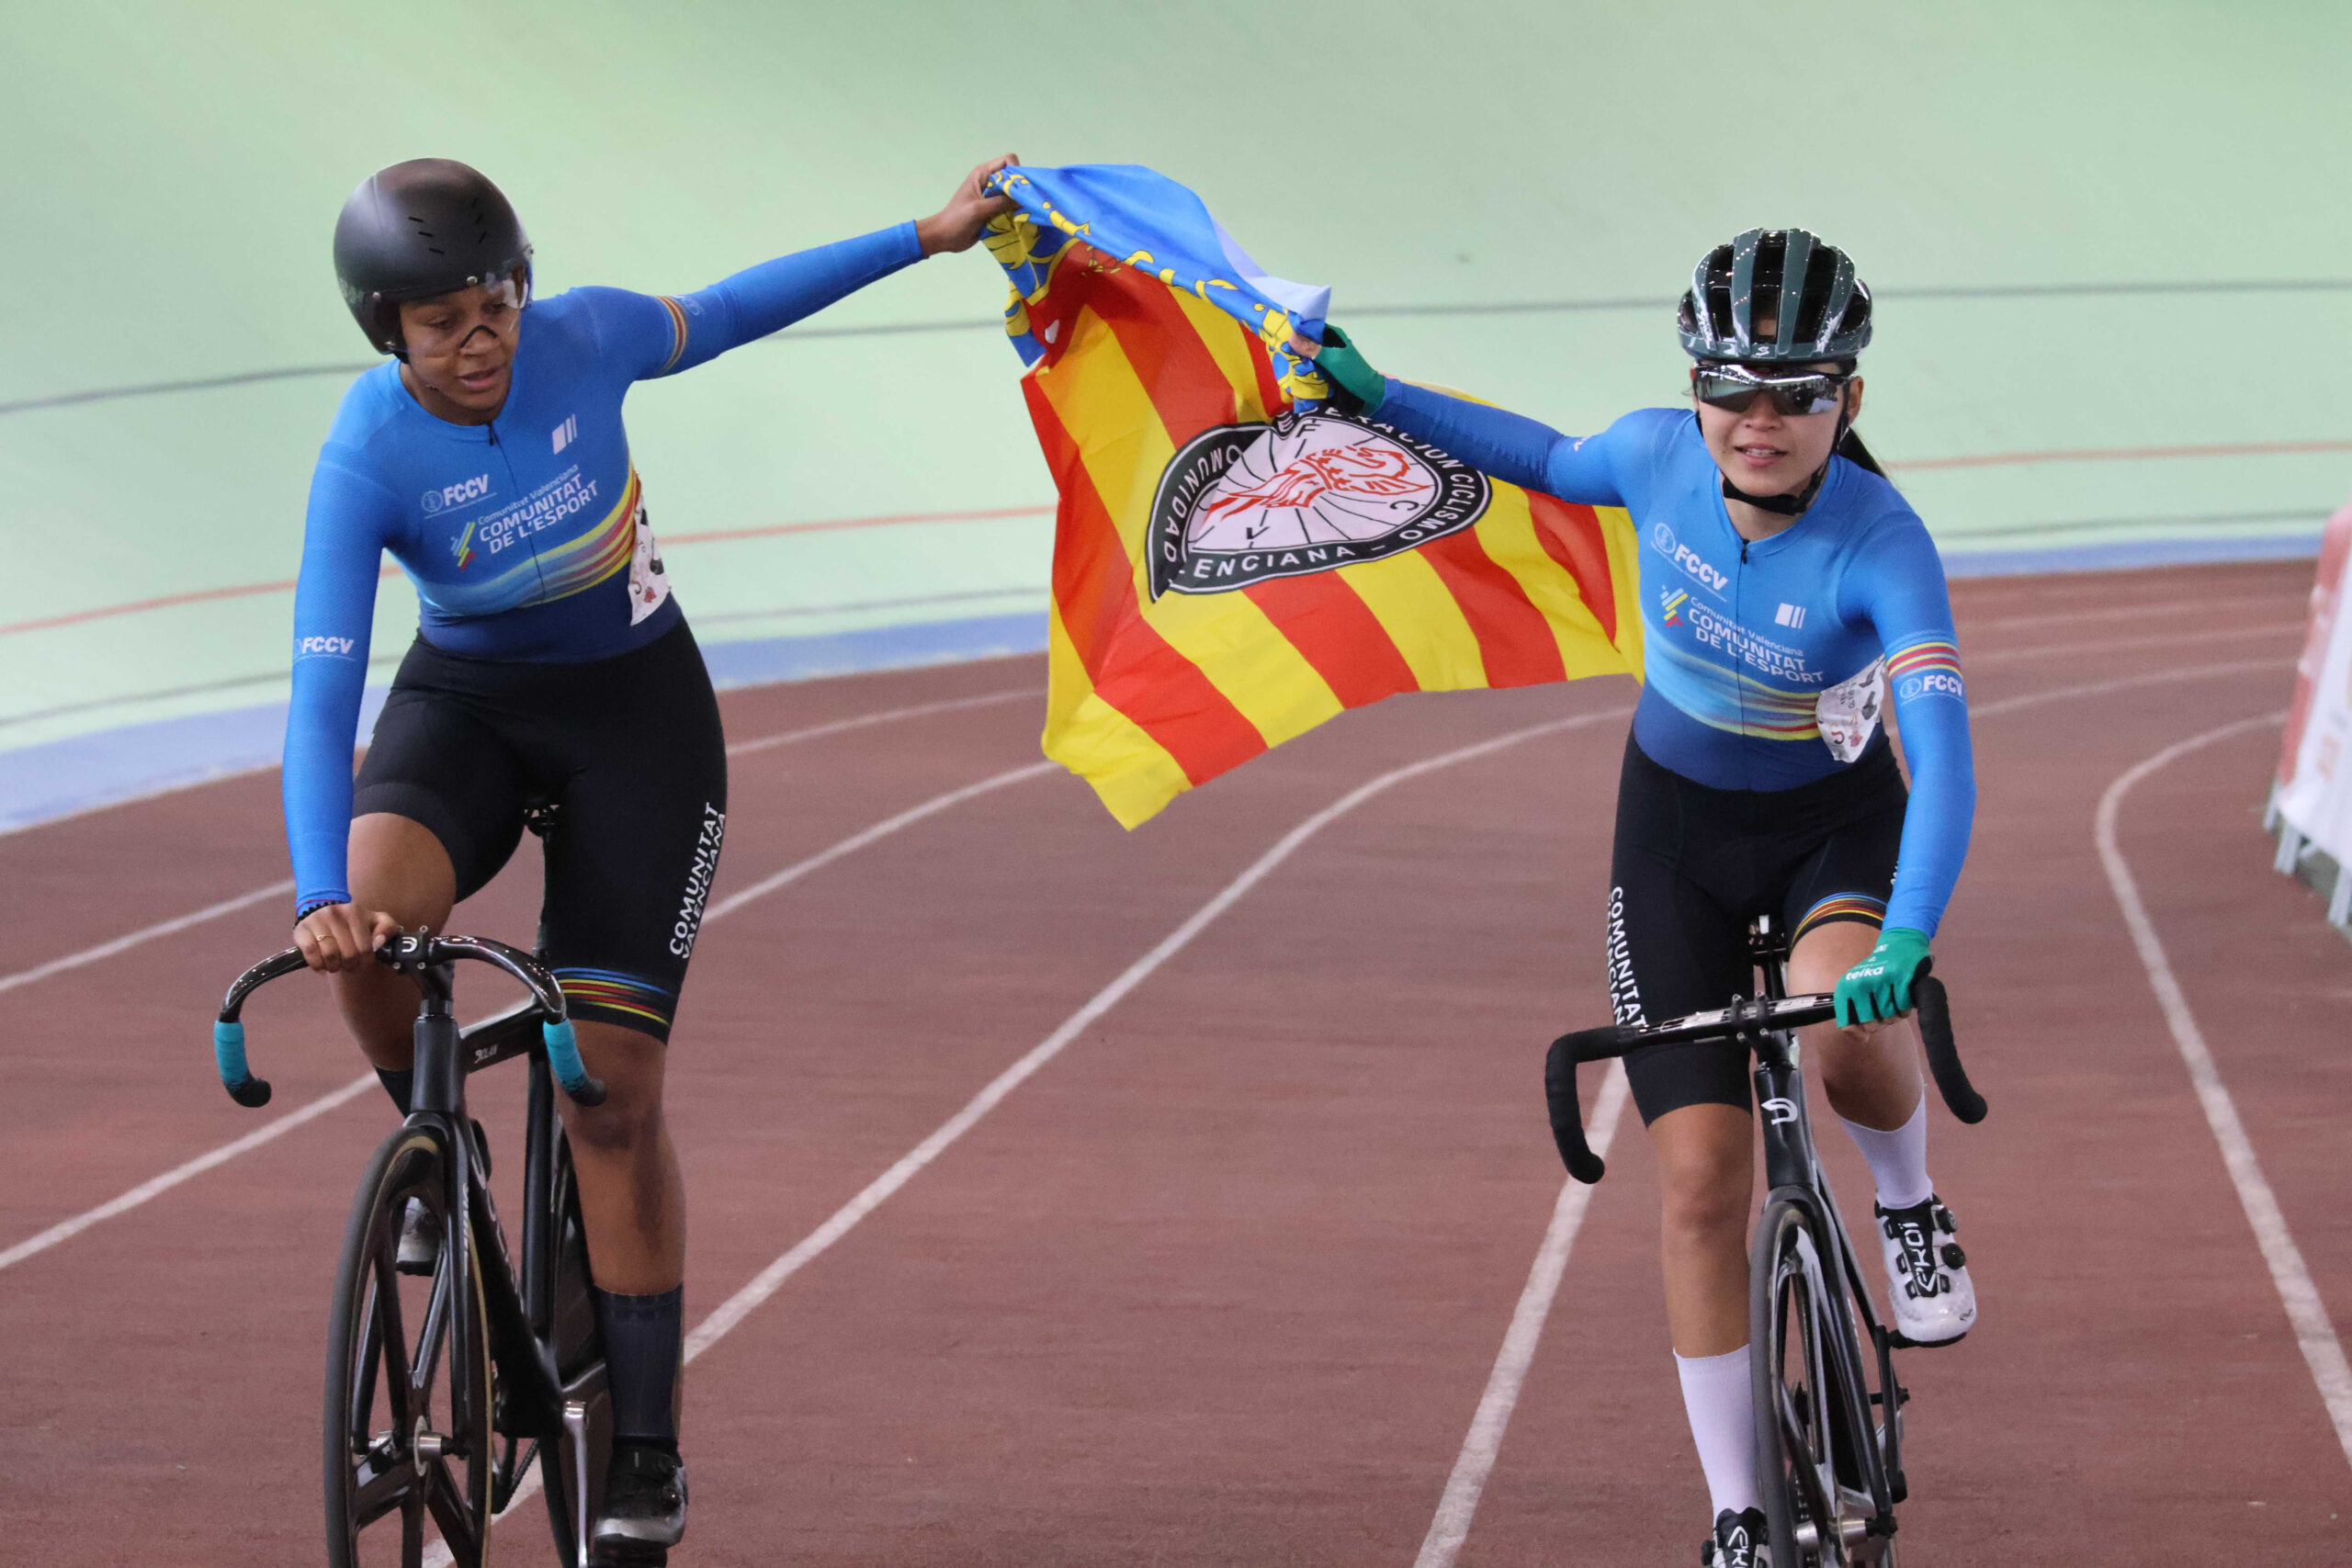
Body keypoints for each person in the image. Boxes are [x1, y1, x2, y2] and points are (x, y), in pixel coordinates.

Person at [284, 152, 1016, 1562]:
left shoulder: (590, 338)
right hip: (466, 707)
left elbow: (735, 308)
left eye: (493, 301)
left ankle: (646, 1448)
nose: (480, 336)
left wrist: (924, 238)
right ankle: (432, 1151)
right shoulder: (364, 458)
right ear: (390, 334)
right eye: (441, 322)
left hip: (637, 722)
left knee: (613, 1095)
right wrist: (320, 895)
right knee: (370, 929)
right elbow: (323, 695)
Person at [1306, 230, 1977, 1567]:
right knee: (1696, 1186)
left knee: (1840, 1025)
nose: (1761, 420)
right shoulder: (1652, 458)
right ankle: (1737, 1506)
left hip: (1830, 833)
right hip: (1670, 837)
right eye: (1732, 389)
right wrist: (1371, 391)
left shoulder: (1882, 545)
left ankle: (1907, 1202)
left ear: (1851, 395)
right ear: (1694, 391)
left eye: (1797, 391)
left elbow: (1947, 762)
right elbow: (1540, 459)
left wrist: (1904, 938)